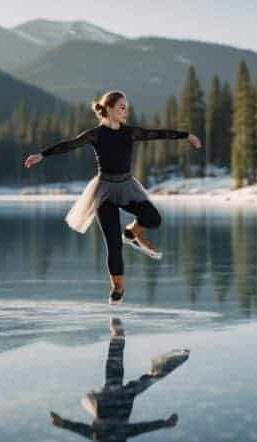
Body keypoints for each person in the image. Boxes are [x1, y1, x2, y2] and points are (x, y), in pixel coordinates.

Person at [23, 90, 202, 304]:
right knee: (113, 244)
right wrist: (41, 155)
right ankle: (118, 288)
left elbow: (157, 133)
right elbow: (70, 144)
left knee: (153, 219)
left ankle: (132, 233)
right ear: (108, 109)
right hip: (104, 191)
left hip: (127, 187)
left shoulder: (131, 132)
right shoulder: (96, 134)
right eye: (122, 107)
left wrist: (186, 135)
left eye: (127, 107)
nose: (126, 111)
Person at [49, 317, 190, 441]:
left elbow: (89, 431)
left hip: (105, 401)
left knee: (120, 382)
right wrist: (163, 424)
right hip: (117, 401)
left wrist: (65, 424)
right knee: (139, 380)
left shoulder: (106, 434)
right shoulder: (115, 433)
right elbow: (138, 429)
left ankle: (118, 337)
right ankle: (119, 338)